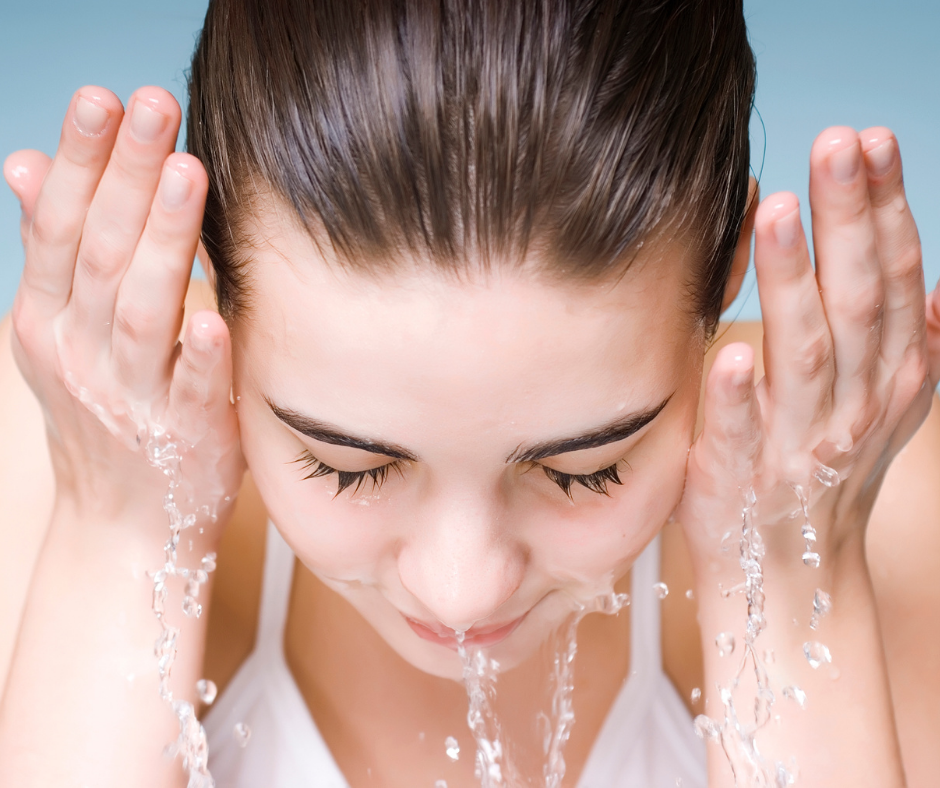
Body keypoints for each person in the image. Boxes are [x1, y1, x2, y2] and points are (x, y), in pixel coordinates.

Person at [0, 0, 938, 785]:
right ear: (218, 283)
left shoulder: (853, 480)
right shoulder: (68, 454)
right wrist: (115, 530)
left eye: (586, 472)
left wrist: (791, 563)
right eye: (349, 468)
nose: (461, 590)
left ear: (726, 274)